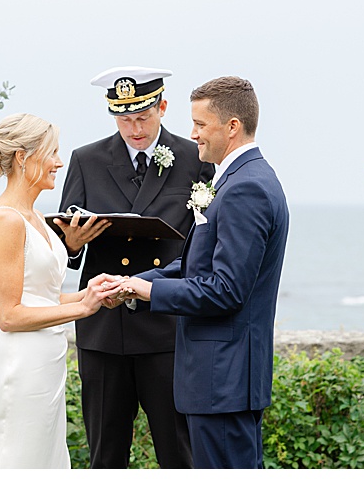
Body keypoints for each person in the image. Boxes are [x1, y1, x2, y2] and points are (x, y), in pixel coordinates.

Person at [108, 75, 289, 469]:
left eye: (200, 125)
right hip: (220, 381)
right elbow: (197, 264)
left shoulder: (247, 189)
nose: (192, 135)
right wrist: (135, 283)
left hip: (223, 380)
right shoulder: (241, 180)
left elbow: (226, 290)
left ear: (232, 127)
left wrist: (150, 294)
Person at [51, 66, 212, 468]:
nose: (134, 128)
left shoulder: (194, 157)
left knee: (179, 453)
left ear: (163, 107)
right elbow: (65, 248)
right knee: (106, 454)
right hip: (105, 330)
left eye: (142, 117)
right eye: (124, 119)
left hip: (167, 325)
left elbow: (207, 237)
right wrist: (71, 245)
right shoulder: (86, 160)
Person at [0, 113, 122, 469]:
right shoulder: (7, 221)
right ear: (24, 158)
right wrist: (82, 309)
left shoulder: (34, 216)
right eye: (52, 152)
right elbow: (9, 315)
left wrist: (92, 293)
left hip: (46, 364)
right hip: (21, 366)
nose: (60, 162)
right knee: (12, 458)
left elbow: (41, 299)